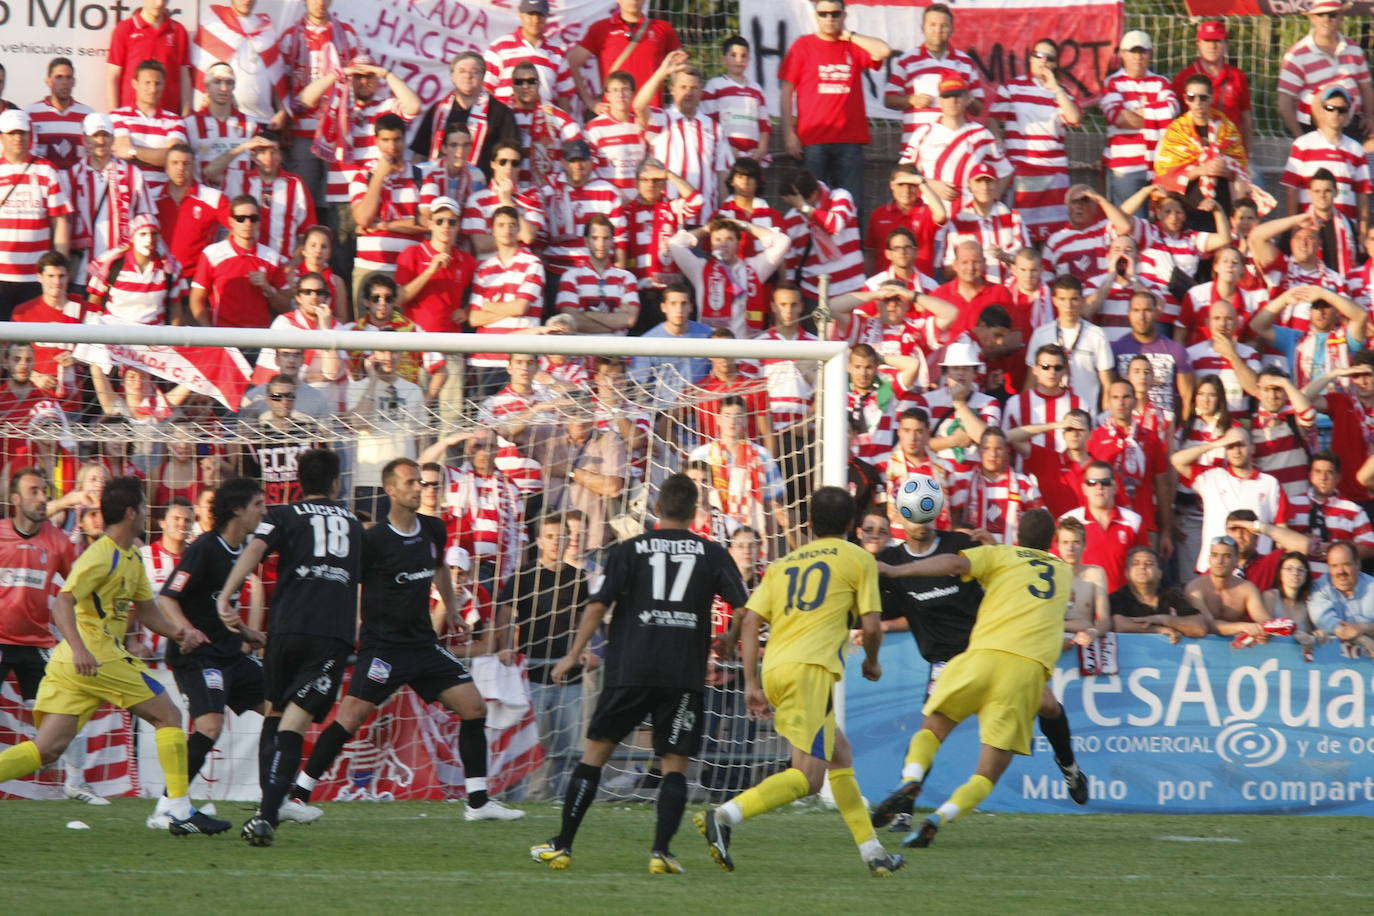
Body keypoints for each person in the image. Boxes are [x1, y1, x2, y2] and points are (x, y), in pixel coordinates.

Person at [532, 473, 747, 875]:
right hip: (682, 674)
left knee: (596, 753)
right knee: (674, 764)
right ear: (695, 511)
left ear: (658, 508)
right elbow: (745, 609)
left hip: (630, 669)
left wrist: (571, 655)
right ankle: (661, 852)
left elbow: (597, 606)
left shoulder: (629, 550)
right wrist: (730, 640)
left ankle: (562, 845)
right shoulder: (712, 553)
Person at [287, 458, 524, 821]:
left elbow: (441, 566)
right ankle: (297, 796)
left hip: (423, 646)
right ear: (391, 490)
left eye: (425, 484)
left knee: (473, 707)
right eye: (413, 483)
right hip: (384, 648)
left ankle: (477, 802)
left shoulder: (433, 528)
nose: (421, 489)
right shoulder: (373, 540)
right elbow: (348, 584)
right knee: (350, 717)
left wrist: (453, 609)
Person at [0, 477, 228, 835]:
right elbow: (63, 602)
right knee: (168, 715)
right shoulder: (101, 554)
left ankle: (177, 808)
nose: (147, 513)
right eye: (143, 506)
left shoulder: (132, 554)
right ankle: (178, 810)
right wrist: (80, 649)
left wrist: (182, 632)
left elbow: (148, 610)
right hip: (95, 655)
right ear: (130, 512)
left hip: (79, 664)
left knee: (47, 749)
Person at [695, 485, 901, 877]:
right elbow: (872, 626)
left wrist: (752, 683)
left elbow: (752, 620)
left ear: (808, 523)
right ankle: (723, 816)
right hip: (811, 671)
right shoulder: (858, 558)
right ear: (853, 524)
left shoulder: (784, 563)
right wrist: (872, 662)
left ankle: (873, 853)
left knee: (840, 753)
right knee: (808, 778)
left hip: (776, 667)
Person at [870, 507, 1076, 847]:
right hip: (1023, 674)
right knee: (987, 772)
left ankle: (911, 779)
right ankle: (941, 816)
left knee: (932, 728)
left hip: (977, 657)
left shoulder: (1000, 555)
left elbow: (954, 564)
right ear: (1052, 541)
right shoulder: (1065, 574)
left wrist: (896, 570)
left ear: (1017, 537)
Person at [215, 448, 363, 846]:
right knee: (293, 724)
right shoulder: (353, 522)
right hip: (330, 633)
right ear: (336, 482)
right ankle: (267, 814)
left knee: (275, 712)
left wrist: (226, 595)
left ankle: (270, 801)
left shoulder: (282, 514)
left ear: (299, 482)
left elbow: (255, 549)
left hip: (284, 629)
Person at [147, 478, 274, 829]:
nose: (263, 511)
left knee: (280, 707)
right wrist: (187, 631)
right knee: (210, 725)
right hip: (198, 656)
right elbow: (167, 598)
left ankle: (277, 798)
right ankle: (168, 806)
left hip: (231, 652)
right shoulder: (205, 547)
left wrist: (246, 631)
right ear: (237, 510)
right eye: (258, 505)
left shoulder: (242, 548)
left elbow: (218, 604)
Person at [0, 469, 97, 803]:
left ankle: (76, 783)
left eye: (45, 491)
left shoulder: (57, 541)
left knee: (64, 711)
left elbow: (79, 590)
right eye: (34, 491)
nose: (42, 498)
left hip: (37, 644)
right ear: (15, 499)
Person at [494, 514, 590, 799]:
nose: (556, 542)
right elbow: (505, 615)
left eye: (562, 536)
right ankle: (515, 798)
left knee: (567, 748)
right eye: (550, 536)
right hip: (531, 673)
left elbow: (584, 620)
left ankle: (563, 801)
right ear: (539, 540)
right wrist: (505, 645)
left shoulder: (577, 577)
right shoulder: (523, 576)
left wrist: (584, 651)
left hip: (568, 676)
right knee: (523, 744)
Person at [777, 0, 891, 213]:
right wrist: (788, 134)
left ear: (843, 16)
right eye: (823, 14)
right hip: (812, 140)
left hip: (849, 139)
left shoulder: (853, 46)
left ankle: (851, 246)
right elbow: (786, 91)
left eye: (835, 13)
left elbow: (884, 51)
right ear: (816, 16)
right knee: (810, 204)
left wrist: (850, 36)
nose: (829, 18)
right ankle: (812, 247)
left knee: (851, 205)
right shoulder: (802, 46)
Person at [988, 38, 1080, 242]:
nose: (1044, 61)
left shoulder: (1062, 92)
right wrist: (997, 140)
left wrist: (1056, 88)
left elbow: (1074, 118)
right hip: (1023, 170)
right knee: (1021, 235)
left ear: (1056, 64)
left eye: (1050, 58)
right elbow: (992, 117)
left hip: (1054, 171)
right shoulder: (1013, 87)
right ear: (1030, 59)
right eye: (1038, 55)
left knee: (1054, 237)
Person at [899, 74, 1011, 213]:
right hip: (931, 212)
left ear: (967, 99)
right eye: (947, 96)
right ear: (940, 100)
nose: (952, 101)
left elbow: (1004, 171)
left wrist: (990, 201)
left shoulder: (981, 134)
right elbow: (903, 173)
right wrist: (930, 184)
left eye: (958, 96)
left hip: (969, 215)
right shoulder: (924, 133)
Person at [635, 52, 728, 214]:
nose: (688, 93)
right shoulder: (662, 119)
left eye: (694, 88)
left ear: (701, 92)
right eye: (683, 87)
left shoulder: (714, 128)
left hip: (704, 217)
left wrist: (725, 211)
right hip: (667, 217)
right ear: (672, 90)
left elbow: (722, 176)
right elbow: (638, 106)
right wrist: (662, 72)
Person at [0, 109, 72, 318]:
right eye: (12, 133)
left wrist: (60, 267)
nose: (18, 138)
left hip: (35, 275)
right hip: (1, 274)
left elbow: (60, 221)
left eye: (22, 133)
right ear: (2, 136)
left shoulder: (46, 170)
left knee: (32, 343)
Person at [668, 216, 789, 339]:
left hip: (744, 350)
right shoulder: (700, 269)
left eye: (729, 239)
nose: (723, 244)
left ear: (738, 242)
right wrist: (706, 229)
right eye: (717, 239)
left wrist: (744, 226)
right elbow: (675, 244)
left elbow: (783, 241)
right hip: (710, 349)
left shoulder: (754, 268)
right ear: (711, 243)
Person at [884, 3, 983, 147]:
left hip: (956, 145)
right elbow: (889, 100)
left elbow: (978, 108)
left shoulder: (965, 62)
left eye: (944, 25)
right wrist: (912, 100)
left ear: (951, 29)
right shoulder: (907, 60)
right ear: (923, 28)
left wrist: (965, 96)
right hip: (918, 144)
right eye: (933, 24)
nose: (938, 30)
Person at [1152, 74, 1250, 215]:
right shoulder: (1175, 132)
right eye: (1192, 97)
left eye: (1203, 98)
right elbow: (1165, 174)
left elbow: (1241, 169)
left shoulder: (1227, 128)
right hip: (1187, 207)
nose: (1197, 103)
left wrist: (1227, 172)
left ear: (1212, 98)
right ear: (1186, 99)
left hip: (1222, 205)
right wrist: (1201, 170)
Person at [1100, 30, 1178, 203]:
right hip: (1125, 168)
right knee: (1130, 223)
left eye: (1143, 52)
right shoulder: (1112, 83)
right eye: (1132, 52)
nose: (1138, 57)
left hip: (1159, 166)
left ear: (1150, 54)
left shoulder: (1162, 82)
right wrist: (1157, 116)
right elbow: (1118, 117)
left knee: (1161, 224)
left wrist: (1138, 113)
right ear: (1122, 54)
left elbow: (1172, 111)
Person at [1277, 0, 1374, 139]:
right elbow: (1284, 100)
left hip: (1353, 124)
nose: (1326, 20)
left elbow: (1366, 87)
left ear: (1341, 17)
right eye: (1321, 15)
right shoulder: (1297, 55)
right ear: (1312, 18)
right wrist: (1299, 137)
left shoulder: (1354, 49)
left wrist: (1369, 116)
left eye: (1332, 15)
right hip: (1313, 128)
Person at [409, 51, 518, 174]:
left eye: (475, 71)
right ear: (452, 77)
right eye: (461, 71)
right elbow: (420, 154)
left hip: (484, 189)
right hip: (437, 185)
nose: (468, 76)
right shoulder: (438, 110)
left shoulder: (501, 113)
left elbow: (511, 158)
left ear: (483, 76)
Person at [189, 194, 290, 327]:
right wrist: (210, 334)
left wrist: (268, 288)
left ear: (259, 222)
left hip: (259, 339)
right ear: (231, 222)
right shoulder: (212, 254)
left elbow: (285, 307)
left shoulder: (272, 258)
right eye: (241, 219)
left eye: (253, 218)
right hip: (223, 338)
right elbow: (196, 300)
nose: (247, 223)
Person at [569, 0, 681, 113]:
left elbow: (681, 67)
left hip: (651, 114)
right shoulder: (601, 29)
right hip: (614, 115)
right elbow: (573, 61)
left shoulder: (663, 28)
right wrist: (590, 102)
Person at [1025, 275, 1115, 413]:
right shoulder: (1041, 335)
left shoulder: (1097, 335)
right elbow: (1031, 382)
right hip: (1048, 414)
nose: (1068, 305)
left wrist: (1105, 418)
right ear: (1054, 300)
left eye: (1074, 299)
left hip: (1086, 413)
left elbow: (1107, 384)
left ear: (1082, 301)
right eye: (1062, 299)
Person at [1282, 87, 1370, 222]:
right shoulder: (1303, 144)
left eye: (1342, 109)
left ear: (1347, 114)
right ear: (1322, 111)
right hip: (1310, 228)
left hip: (1346, 228)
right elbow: (1291, 190)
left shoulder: (1356, 149)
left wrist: (1362, 230)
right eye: (1330, 108)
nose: (1335, 113)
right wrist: (1293, 226)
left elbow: (1362, 194)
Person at [225, 129, 314, 263]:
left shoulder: (295, 183)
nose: (269, 157)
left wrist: (293, 265)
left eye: (274, 151)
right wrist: (243, 147)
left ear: (281, 155)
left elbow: (307, 231)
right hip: (246, 263)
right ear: (253, 155)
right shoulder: (241, 178)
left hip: (284, 264)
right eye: (263, 151)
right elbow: (210, 172)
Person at [1280, 452, 1374, 576]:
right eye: (1318, 472)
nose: (1323, 477)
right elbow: (1278, 543)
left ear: (1338, 477)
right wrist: (1301, 542)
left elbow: (1369, 547)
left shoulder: (1354, 510)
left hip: (1338, 583)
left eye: (1329, 472)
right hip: (1299, 582)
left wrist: (1335, 549)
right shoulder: (1291, 505)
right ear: (1310, 475)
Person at [1060, 460, 1148, 593]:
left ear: (1115, 487)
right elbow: (1056, 565)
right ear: (1084, 488)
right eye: (1092, 482)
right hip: (1080, 602)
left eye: (1105, 482)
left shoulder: (1134, 522)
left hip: (1123, 604)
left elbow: (1143, 566)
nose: (1099, 487)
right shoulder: (1068, 521)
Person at [948, 428, 1044, 546]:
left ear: (1007, 451)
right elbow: (951, 520)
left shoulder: (1023, 483)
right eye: (986, 448)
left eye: (998, 448)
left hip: (1012, 558)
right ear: (979, 451)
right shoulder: (964, 481)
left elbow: (1041, 522)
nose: (993, 454)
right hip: (974, 556)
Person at [1172, 21, 1254, 154]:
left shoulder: (1237, 76)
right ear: (1198, 44)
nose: (1212, 46)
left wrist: (1248, 154)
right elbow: (1174, 118)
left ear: (1226, 44)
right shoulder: (1184, 77)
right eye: (1207, 41)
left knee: (1254, 175)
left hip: (1230, 150)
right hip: (1193, 150)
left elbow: (1246, 118)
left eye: (1217, 41)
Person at [110, 60, 187, 198]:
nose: (153, 89)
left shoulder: (175, 120)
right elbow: (120, 151)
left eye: (158, 83)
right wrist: (159, 156)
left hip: (162, 199)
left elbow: (174, 159)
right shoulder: (118, 116)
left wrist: (133, 151)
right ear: (135, 84)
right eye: (147, 83)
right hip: (127, 198)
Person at [484, 0, 574, 110]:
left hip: (542, 122)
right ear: (521, 15)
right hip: (506, 120)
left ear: (546, 17)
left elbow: (564, 96)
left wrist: (563, 124)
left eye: (540, 14)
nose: (535, 20)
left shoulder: (557, 52)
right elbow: (486, 89)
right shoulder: (499, 47)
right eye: (530, 14)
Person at [107, 0, 192, 115]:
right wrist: (114, 115)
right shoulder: (125, 28)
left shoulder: (178, 30)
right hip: (130, 116)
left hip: (168, 117)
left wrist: (186, 115)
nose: (159, 4)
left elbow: (184, 77)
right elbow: (113, 76)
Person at [1110, 545, 1209, 640]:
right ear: (1127, 573)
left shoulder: (1171, 596)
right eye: (1136, 563)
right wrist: (1159, 630)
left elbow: (1200, 628)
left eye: (1149, 563)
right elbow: (1119, 625)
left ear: (1160, 573)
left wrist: (1163, 619)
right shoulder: (1117, 597)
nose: (1142, 567)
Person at [1184, 535, 1273, 640]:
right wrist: (1243, 626)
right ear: (1209, 559)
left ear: (1236, 560)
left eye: (1226, 556)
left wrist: (1265, 630)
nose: (1220, 561)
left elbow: (1262, 617)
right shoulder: (1195, 588)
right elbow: (1208, 625)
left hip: (1235, 650)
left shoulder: (1247, 589)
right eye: (1214, 555)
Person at [702, 36, 770, 161]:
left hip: (752, 157)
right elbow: (707, 123)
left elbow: (764, 124)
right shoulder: (714, 86)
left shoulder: (757, 89)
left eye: (743, 56)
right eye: (733, 55)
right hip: (724, 155)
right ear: (723, 59)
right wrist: (725, 147)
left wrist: (762, 149)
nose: (739, 60)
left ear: (749, 59)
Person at [584, 71, 647, 202]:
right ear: (607, 95)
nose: (620, 94)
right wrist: (611, 196)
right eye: (615, 90)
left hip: (639, 204)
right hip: (610, 203)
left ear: (633, 94)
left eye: (625, 89)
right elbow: (590, 171)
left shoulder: (641, 124)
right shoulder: (594, 128)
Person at [26, 57, 95, 172]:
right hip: (44, 184)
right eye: (59, 77)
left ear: (74, 82)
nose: (64, 82)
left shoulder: (88, 115)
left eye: (68, 78)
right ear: (48, 81)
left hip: (77, 184)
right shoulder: (31, 113)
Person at [1307, 541, 1374, 655]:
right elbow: (1326, 622)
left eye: (1346, 564)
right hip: (1329, 663)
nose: (1340, 571)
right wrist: (1365, 641)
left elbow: (1351, 630)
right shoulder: (1319, 587)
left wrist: (1362, 627)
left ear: (1357, 564)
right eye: (1334, 566)